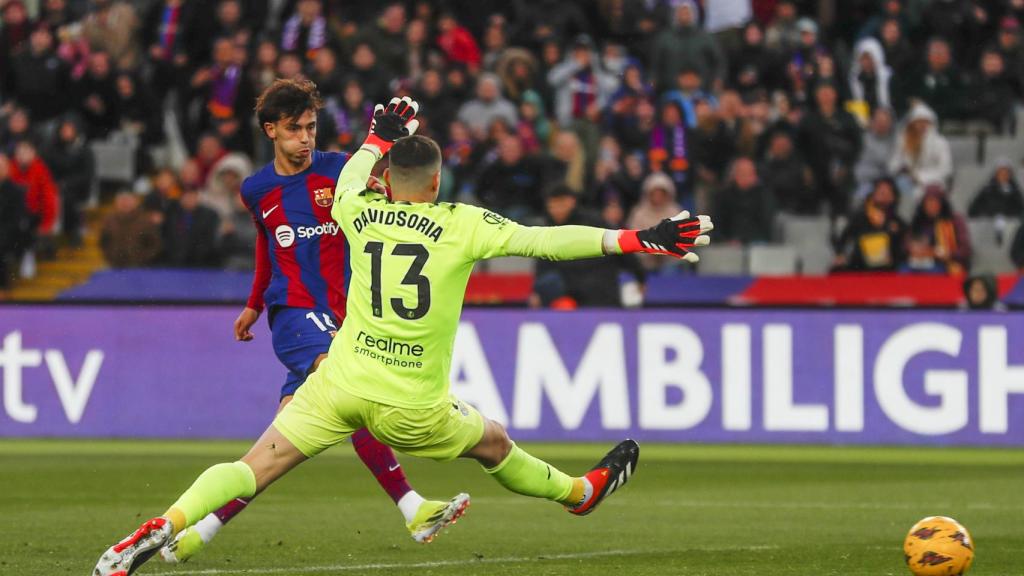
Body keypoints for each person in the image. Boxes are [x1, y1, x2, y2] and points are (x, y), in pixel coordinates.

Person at [94, 97, 714, 575]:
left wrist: (378, 132)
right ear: (437, 185)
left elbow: (357, 169)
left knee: (252, 465)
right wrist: (638, 238)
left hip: (339, 382)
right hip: (412, 407)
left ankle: (166, 523)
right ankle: (577, 493)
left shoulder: (355, 208)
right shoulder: (463, 225)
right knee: (494, 443)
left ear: (387, 181)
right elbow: (546, 240)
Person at [153, 81, 456, 565]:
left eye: (311, 127)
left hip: (341, 313)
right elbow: (266, 244)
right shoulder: (256, 188)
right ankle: (411, 504)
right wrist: (256, 302)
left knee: (275, 449)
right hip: (293, 311)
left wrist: (385, 178)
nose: (305, 138)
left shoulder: (340, 171)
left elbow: (387, 198)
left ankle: (199, 532)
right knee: (348, 389)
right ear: (271, 130)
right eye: (294, 129)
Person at [833, 177, 907, 271]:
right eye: (880, 190)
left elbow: (904, 249)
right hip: (860, 270)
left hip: (888, 272)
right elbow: (842, 239)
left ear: (893, 197)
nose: (884, 194)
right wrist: (840, 254)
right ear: (873, 194)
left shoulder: (898, 223)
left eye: (887, 191)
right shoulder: (860, 219)